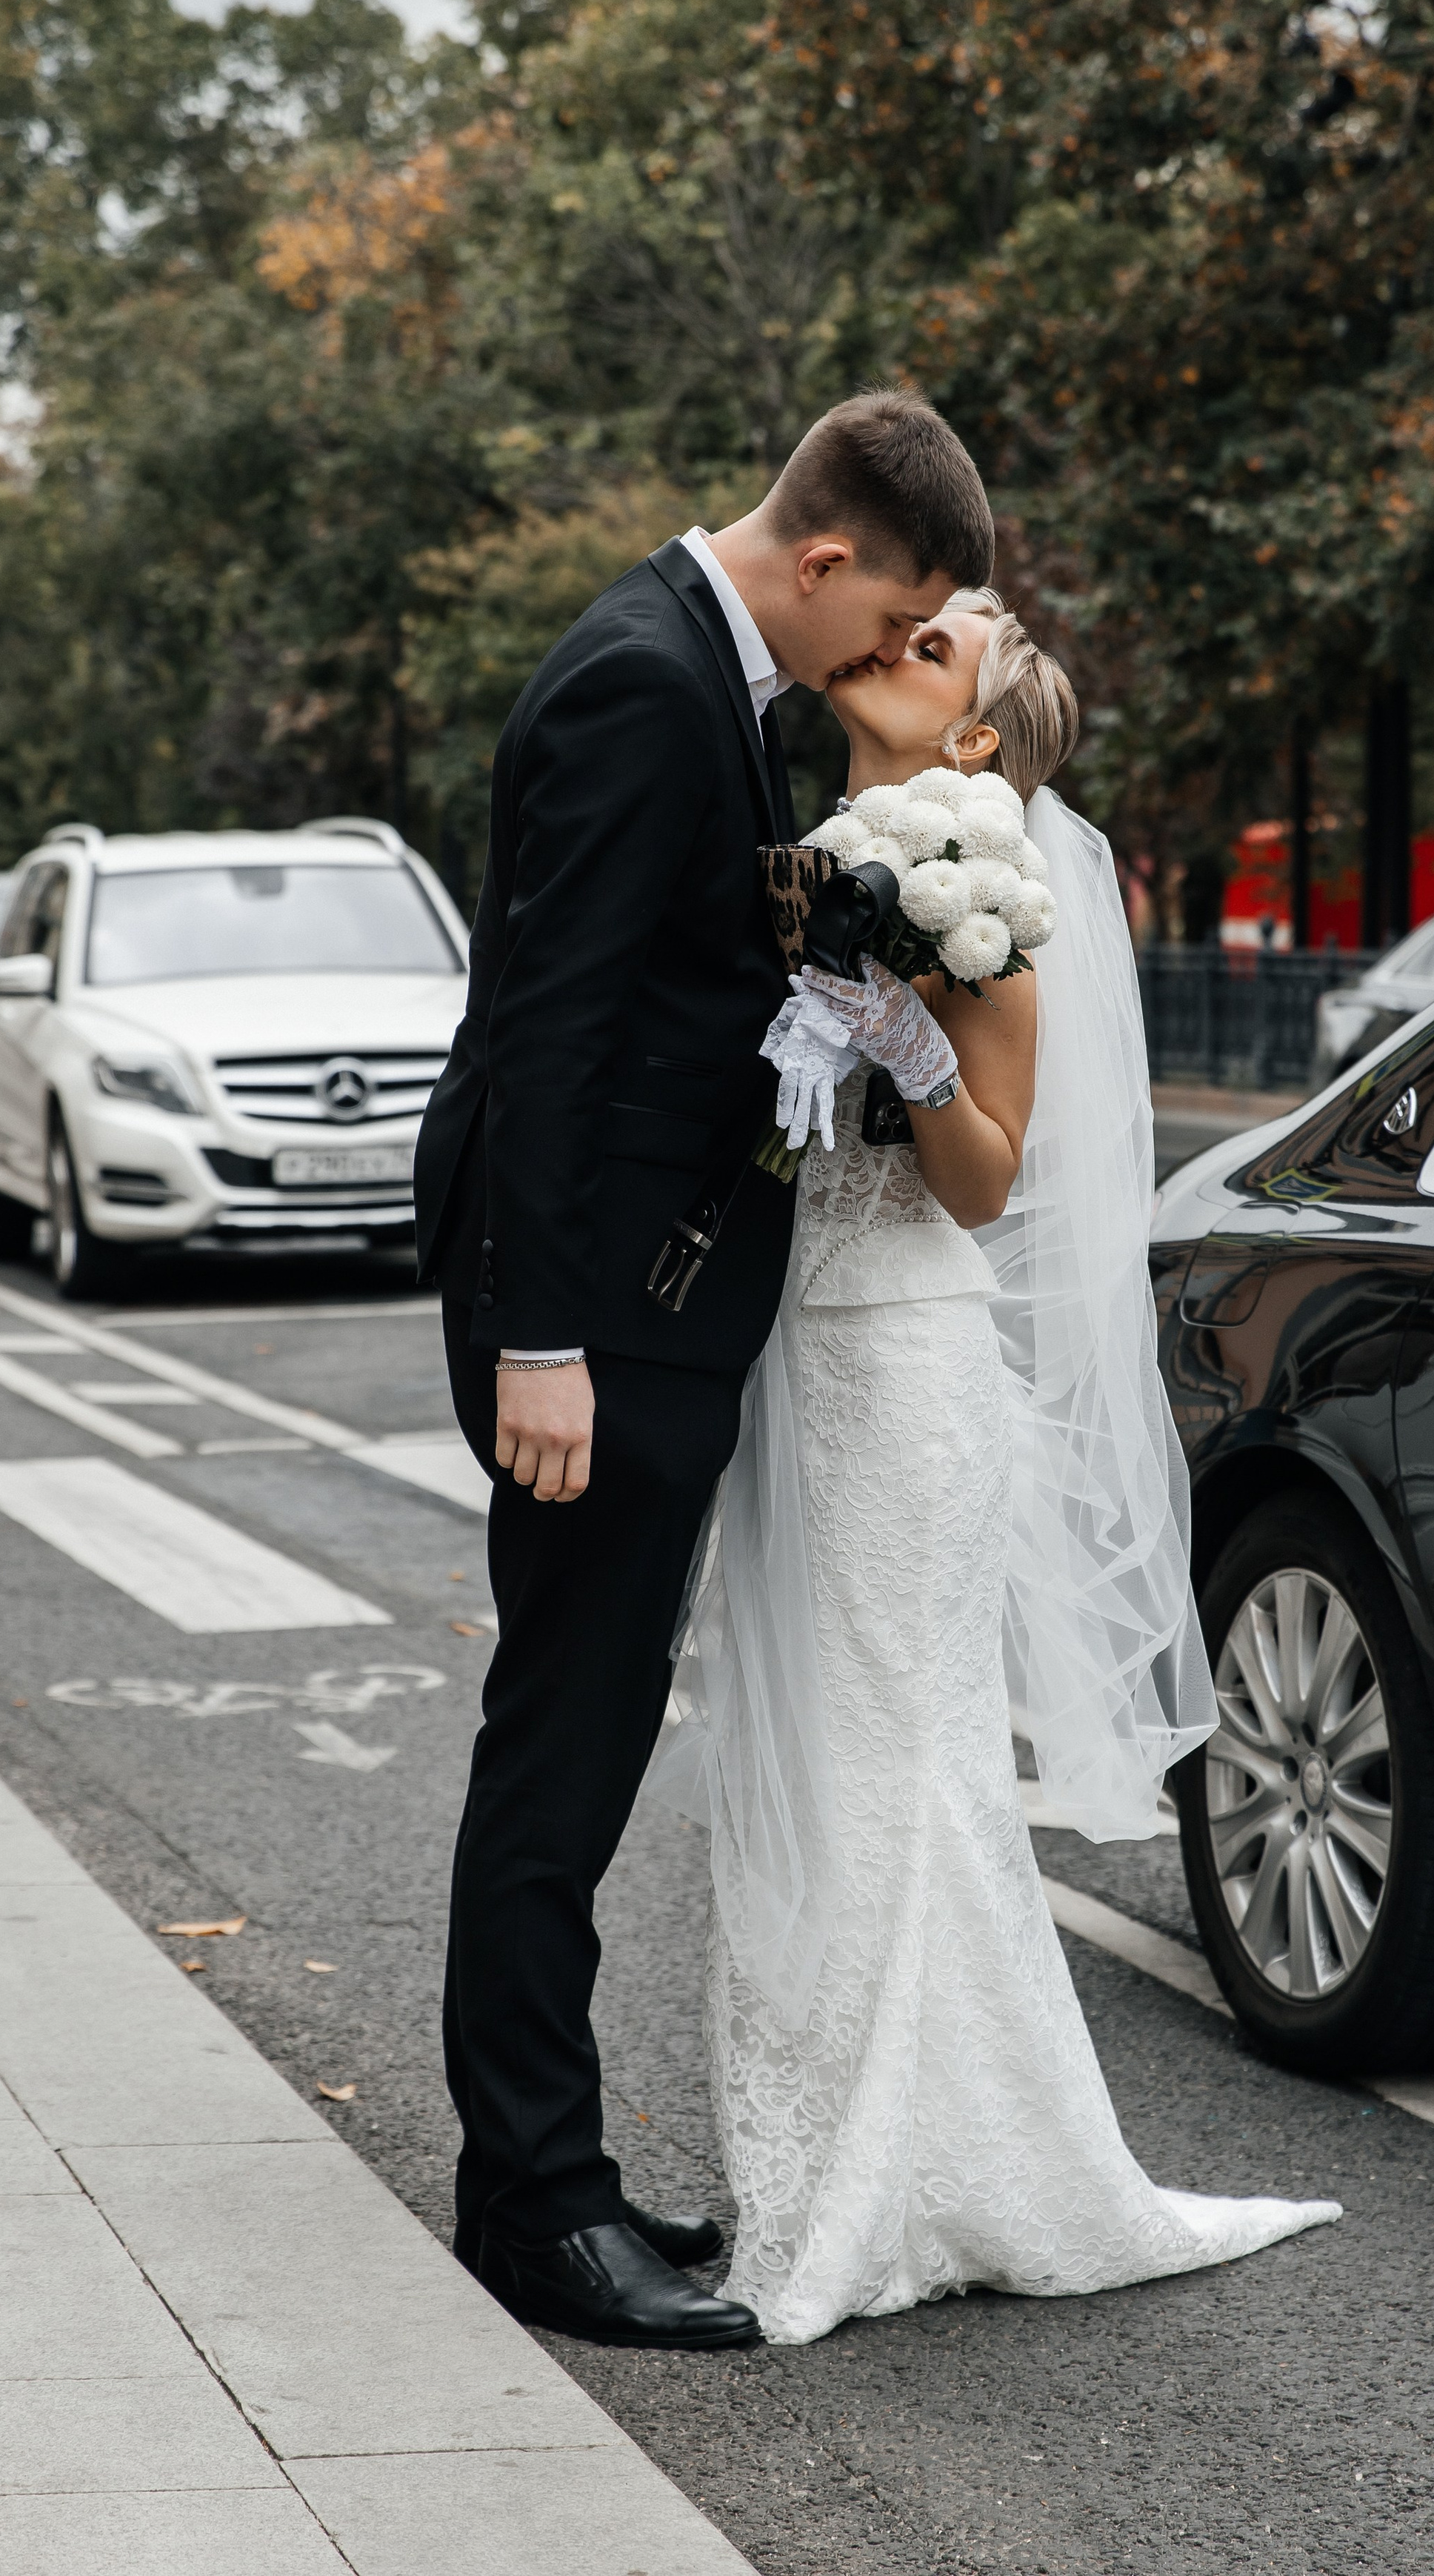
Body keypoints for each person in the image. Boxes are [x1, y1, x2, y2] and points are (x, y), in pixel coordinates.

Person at [649, 596, 1341, 2346]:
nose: (892, 637)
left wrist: (905, 1043)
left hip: (905, 1371)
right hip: (792, 1361)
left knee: (900, 1759)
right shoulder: (810, 852)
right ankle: (823, 2167)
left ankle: (875, 2186)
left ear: (968, 734)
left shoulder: (990, 881)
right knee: (798, 1751)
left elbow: (979, 1179)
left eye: (932, 640)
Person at [413, 390, 997, 2351]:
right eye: (882, 616)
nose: (872, 662)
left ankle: (551, 2165)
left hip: (663, 1296)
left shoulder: (703, 677)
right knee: (559, 1744)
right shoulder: (640, 683)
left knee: (582, 1734)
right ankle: (537, 2204)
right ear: (826, 557)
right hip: (604, 1311)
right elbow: (549, 1036)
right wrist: (543, 1337)